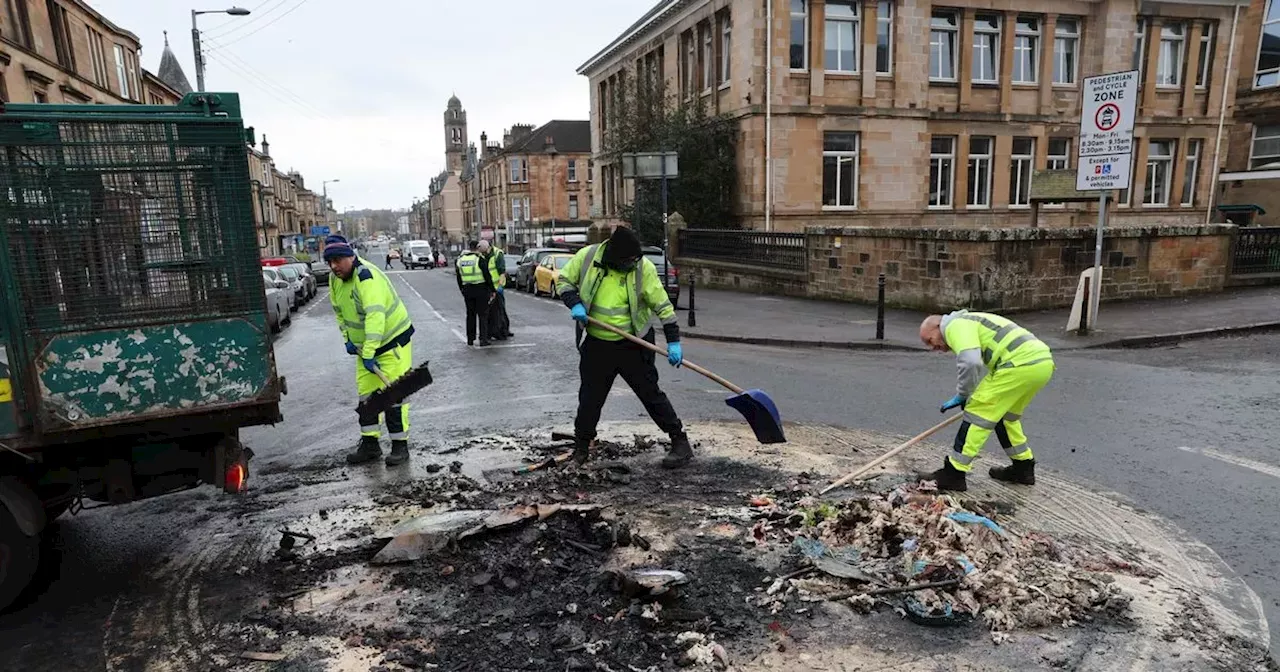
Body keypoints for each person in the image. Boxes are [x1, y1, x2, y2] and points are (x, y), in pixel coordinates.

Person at [556, 225, 691, 468]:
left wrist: (673, 342)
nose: (633, 263)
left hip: (634, 343)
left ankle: (680, 442)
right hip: (597, 344)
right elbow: (564, 281)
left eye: (635, 258)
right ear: (614, 256)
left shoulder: (643, 268)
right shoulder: (588, 257)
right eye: (628, 259)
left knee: (650, 394)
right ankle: (581, 448)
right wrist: (574, 303)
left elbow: (663, 307)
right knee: (590, 399)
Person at [918, 310, 1055, 492]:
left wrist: (964, 394)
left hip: (1018, 364)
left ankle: (954, 474)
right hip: (1041, 364)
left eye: (930, 340)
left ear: (938, 326)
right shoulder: (970, 321)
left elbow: (971, 362)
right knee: (1005, 418)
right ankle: (1023, 468)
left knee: (977, 413)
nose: (933, 347)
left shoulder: (954, 325)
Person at [323, 235, 416, 467]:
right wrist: (348, 340)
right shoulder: (335, 280)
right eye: (330, 261)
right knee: (366, 396)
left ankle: (399, 446)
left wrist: (369, 351)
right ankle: (370, 445)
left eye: (338, 260)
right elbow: (339, 312)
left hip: (393, 343)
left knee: (393, 396)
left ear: (350, 256)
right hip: (366, 348)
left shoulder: (367, 278)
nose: (334, 266)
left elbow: (376, 317)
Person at [456, 240, 495, 346]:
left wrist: (462, 290)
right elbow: (487, 276)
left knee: (470, 315)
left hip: (467, 290)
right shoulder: (480, 259)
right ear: (477, 247)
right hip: (481, 289)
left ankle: (470, 339)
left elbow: (459, 277)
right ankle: (483, 339)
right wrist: (492, 290)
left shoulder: (460, 260)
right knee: (483, 315)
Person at [487, 244, 514, 340]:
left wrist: (500, 286)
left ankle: (504, 329)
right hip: (488, 287)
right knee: (491, 311)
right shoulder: (483, 254)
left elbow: (502, 272)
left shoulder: (497, 254)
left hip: (497, 287)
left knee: (500, 309)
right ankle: (493, 330)